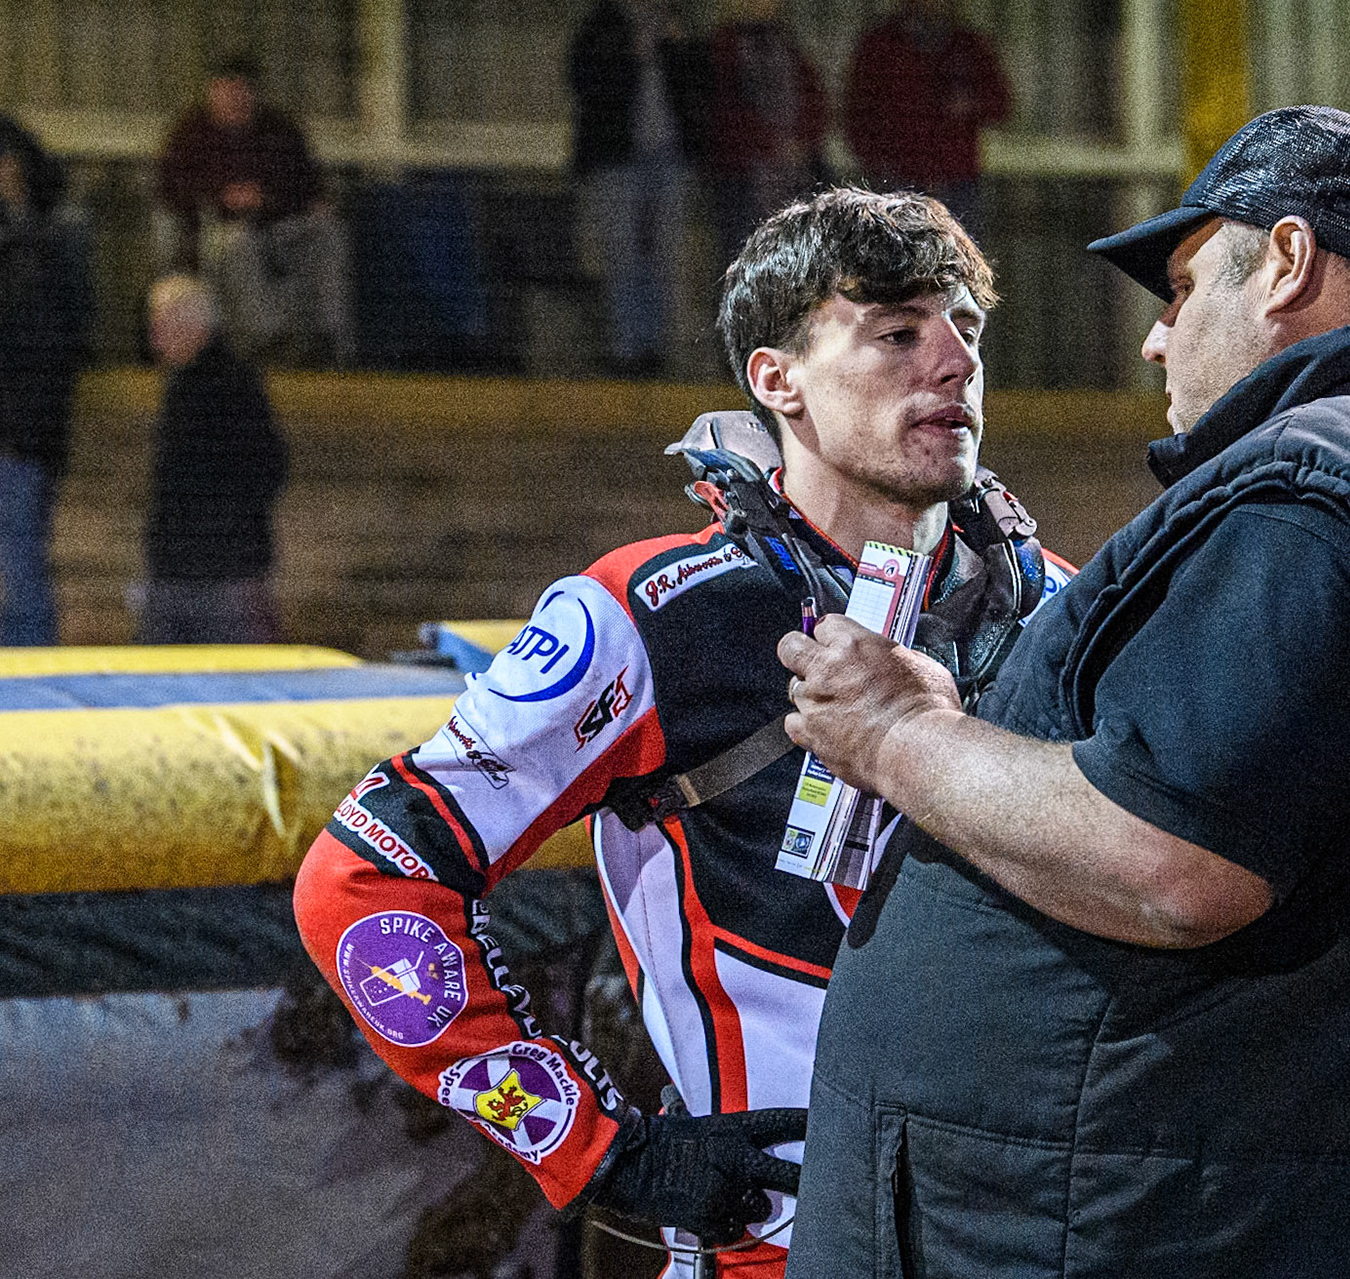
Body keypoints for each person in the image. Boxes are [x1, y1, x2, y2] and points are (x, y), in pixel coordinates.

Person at [779, 108, 1350, 1277]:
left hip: (1188, 1227)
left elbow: (1171, 858)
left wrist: (900, 731)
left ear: (1285, 262)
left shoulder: (1329, 483)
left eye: (1176, 291)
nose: (1155, 345)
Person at [292, 189, 1072, 1278]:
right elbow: (360, 885)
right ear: (776, 379)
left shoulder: (1064, 609)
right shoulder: (652, 612)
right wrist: (596, 1146)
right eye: (897, 331)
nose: (951, 362)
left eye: (966, 330)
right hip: (784, 1249)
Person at [155, 57, 353, 366]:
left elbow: (309, 186)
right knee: (236, 244)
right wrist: (223, 198)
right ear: (212, 93)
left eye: (241, 90)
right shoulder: (190, 133)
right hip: (217, 230)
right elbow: (171, 189)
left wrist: (268, 198)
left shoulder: (279, 129)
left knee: (328, 233)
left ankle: (327, 336)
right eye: (225, 91)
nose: (234, 99)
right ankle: (267, 341)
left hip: (277, 225)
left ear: (254, 93)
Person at [139, 275, 286, 644]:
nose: (155, 338)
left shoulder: (225, 385)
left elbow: (265, 465)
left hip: (216, 573)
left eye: (162, 325)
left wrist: (216, 527)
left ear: (195, 326)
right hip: (198, 566)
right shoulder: (193, 381)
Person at [569, 0, 702, 378]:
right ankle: (625, 348)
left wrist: (677, 48)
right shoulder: (600, 26)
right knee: (622, 251)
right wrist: (631, 54)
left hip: (670, 158)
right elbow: (584, 84)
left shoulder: (679, 25)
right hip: (617, 159)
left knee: (665, 253)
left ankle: (656, 346)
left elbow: (699, 88)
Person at [0, 115, 90, 646]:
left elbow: (61, 335)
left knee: (21, 559)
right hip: (24, 426)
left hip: (25, 432)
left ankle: (31, 667)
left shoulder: (53, 239)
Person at [843, 0, 1011, 230]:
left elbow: (1000, 102)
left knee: (957, 255)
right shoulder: (882, 44)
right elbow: (857, 112)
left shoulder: (966, 44)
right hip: (898, 180)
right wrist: (877, 163)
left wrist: (970, 104)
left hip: (955, 181)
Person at [704, 0, 828, 263]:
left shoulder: (786, 43)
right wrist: (773, 144)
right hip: (744, 174)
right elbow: (726, 111)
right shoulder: (723, 48)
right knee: (745, 257)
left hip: (796, 171)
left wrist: (802, 142)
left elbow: (813, 98)